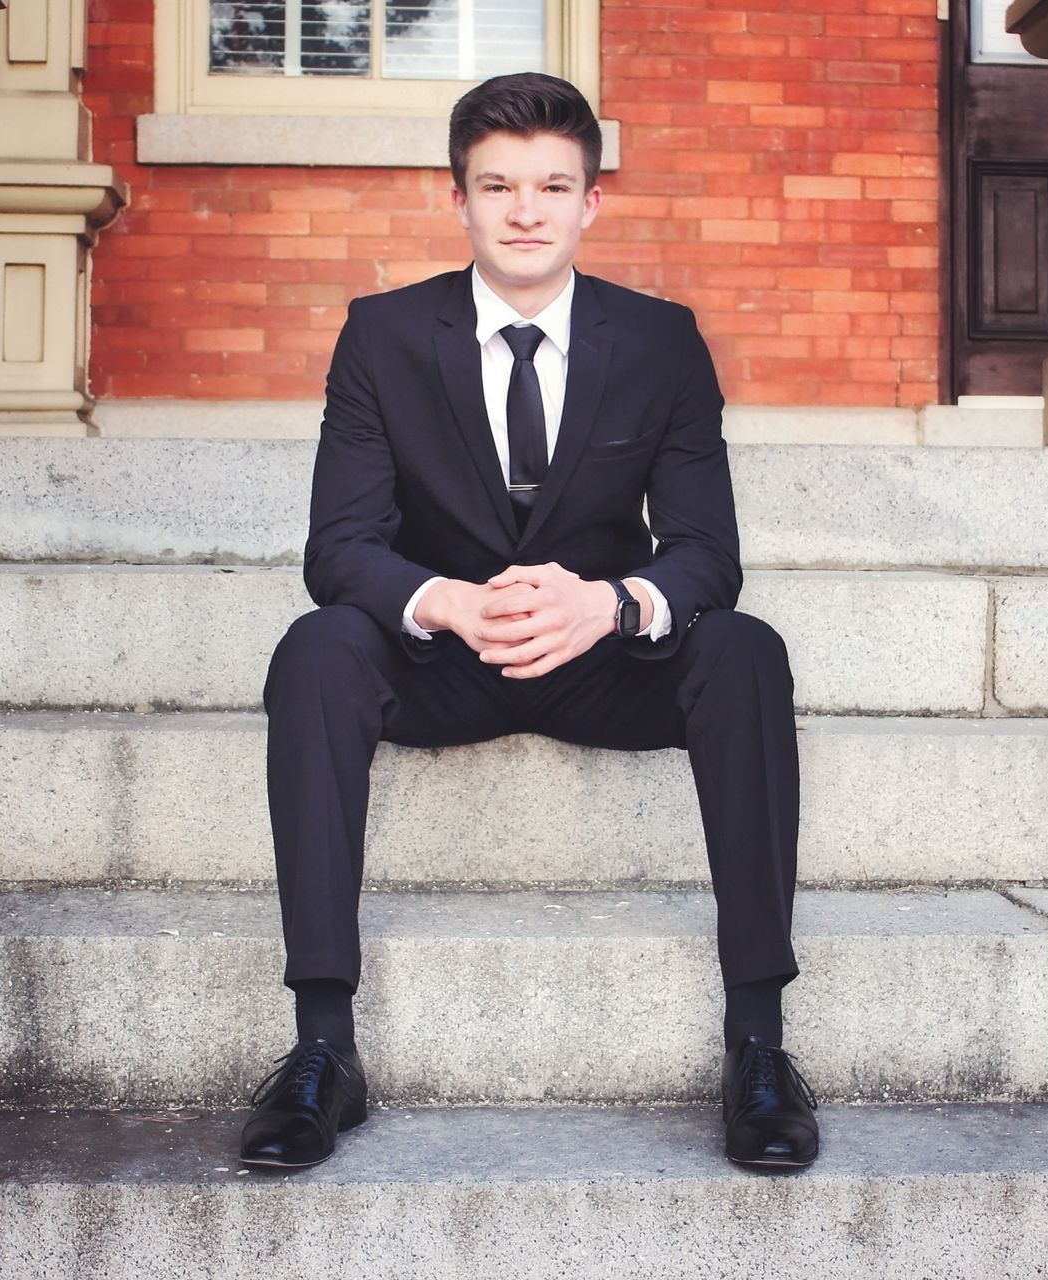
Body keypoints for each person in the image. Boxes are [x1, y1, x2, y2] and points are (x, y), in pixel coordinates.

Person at [239, 71, 815, 1173]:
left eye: (552, 186)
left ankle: (758, 1044)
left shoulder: (660, 341)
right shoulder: (382, 336)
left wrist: (609, 604)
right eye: (497, 185)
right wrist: (447, 601)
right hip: (444, 659)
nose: (524, 211)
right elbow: (340, 549)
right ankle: (322, 1047)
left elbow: (707, 554)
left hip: (601, 659)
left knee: (746, 651)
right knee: (317, 648)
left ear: (592, 201)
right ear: (457, 197)